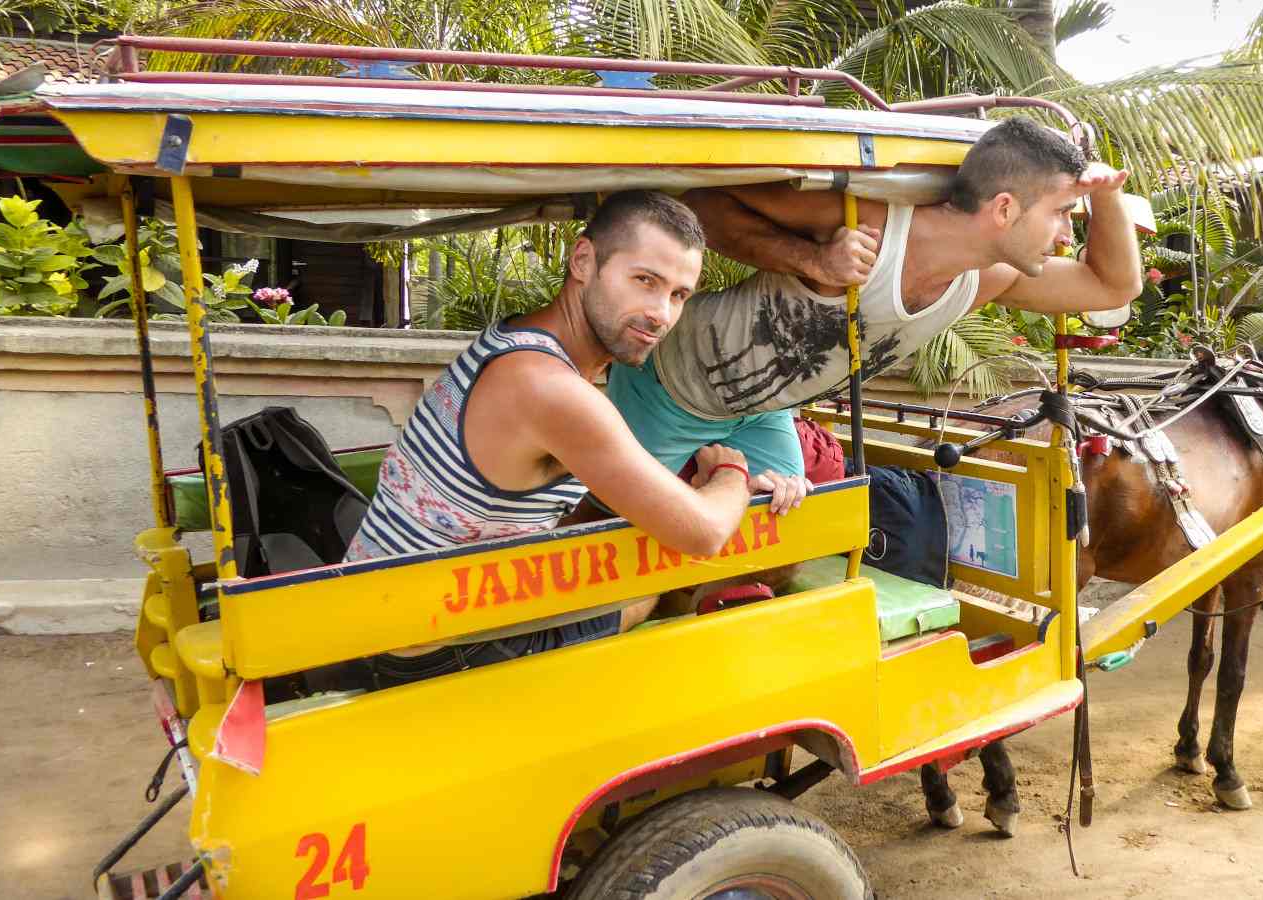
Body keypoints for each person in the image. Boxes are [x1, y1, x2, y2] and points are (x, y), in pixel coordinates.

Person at [344, 190, 806, 687]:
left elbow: (584, 504)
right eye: (644, 281)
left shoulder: (522, 347)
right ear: (583, 260)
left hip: (388, 616)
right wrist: (732, 474)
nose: (660, 314)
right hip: (423, 651)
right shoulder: (550, 389)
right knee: (644, 591)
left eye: (677, 295)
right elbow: (704, 531)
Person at [605, 117, 1142, 483]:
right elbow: (700, 205)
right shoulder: (871, 225)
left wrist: (1107, 194)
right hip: (670, 386)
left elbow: (1113, 287)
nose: (1067, 235)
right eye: (1061, 213)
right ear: (1004, 209)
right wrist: (811, 261)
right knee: (610, 536)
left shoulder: (988, 278)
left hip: (760, 413)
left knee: (791, 540)